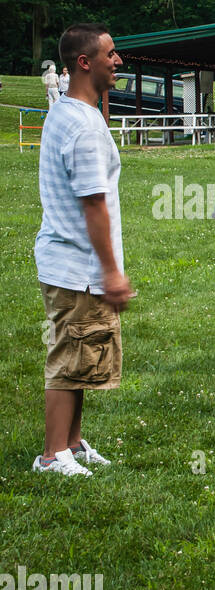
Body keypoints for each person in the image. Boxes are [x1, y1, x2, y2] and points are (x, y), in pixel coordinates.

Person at [33, 23, 131, 476]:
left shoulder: (71, 112)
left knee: (83, 353)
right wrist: (111, 272)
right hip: (79, 265)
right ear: (84, 63)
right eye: (110, 55)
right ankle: (54, 455)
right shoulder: (83, 125)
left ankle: (72, 443)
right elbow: (93, 204)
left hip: (70, 260)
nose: (119, 61)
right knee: (69, 356)